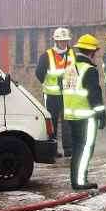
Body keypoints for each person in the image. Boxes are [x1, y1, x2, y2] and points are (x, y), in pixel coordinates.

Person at [62, 34, 106, 190]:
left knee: (77, 149)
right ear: (91, 52)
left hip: (71, 116)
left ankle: (77, 179)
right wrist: (101, 114)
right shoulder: (89, 70)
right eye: (96, 52)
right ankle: (80, 181)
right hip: (87, 117)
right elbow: (94, 95)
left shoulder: (69, 68)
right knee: (86, 148)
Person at [36, 27, 74, 157]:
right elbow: (39, 73)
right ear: (56, 41)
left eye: (65, 40)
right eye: (60, 41)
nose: (63, 43)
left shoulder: (72, 54)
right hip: (51, 95)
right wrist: (49, 84)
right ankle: (52, 150)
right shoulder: (47, 55)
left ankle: (68, 149)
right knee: (51, 122)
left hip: (67, 94)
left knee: (67, 122)